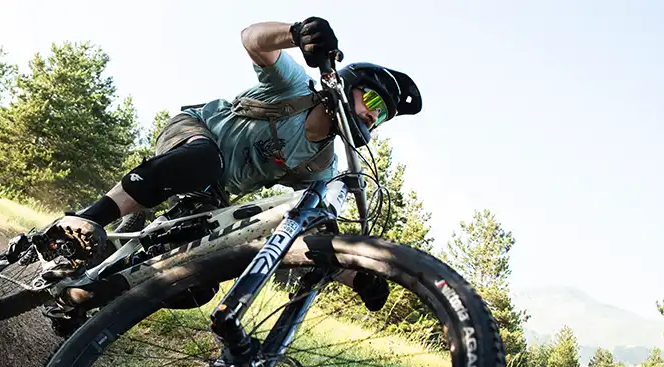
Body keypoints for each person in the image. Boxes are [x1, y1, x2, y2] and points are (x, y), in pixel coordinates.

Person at [40, 17, 422, 311]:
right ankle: (88, 218)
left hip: (215, 189)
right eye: (372, 103)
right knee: (202, 160)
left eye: (383, 117)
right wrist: (297, 31)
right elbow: (253, 40)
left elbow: (312, 229)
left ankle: (93, 294)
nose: (373, 118)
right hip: (195, 133)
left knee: (198, 281)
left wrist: (358, 278)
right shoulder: (295, 89)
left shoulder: (322, 163)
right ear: (346, 85)